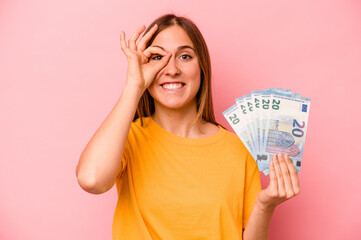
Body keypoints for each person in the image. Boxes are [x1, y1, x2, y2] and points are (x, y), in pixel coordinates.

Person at [76, 14, 300, 240]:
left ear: (202, 66)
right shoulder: (127, 138)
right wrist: (134, 85)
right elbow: (91, 179)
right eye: (157, 57)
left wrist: (264, 206)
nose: (171, 69)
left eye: (184, 56)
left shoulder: (238, 150)